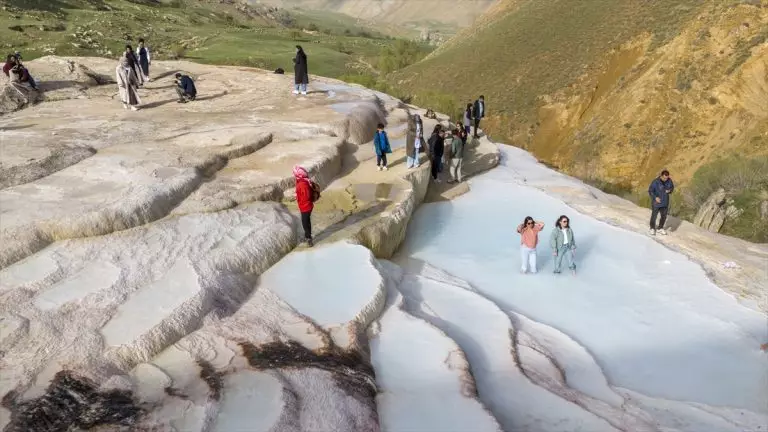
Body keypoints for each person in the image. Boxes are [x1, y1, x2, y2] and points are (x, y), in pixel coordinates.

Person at [294, 165, 316, 247]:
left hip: (305, 206)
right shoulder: (303, 181)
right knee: (307, 221)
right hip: (307, 206)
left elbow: (306, 196)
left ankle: (308, 238)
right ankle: (308, 236)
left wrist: (298, 197)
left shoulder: (302, 184)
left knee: (305, 223)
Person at [648, 169, 674, 235]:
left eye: (667, 178)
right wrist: (655, 197)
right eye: (664, 178)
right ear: (661, 176)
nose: (666, 179)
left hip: (665, 202)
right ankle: (652, 228)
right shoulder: (655, 182)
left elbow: (672, 187)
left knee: (664, 216)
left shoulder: (669, 181)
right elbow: (650, 191)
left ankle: (660, 228)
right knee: (654, 216)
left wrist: (670, 190)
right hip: (656, 202)